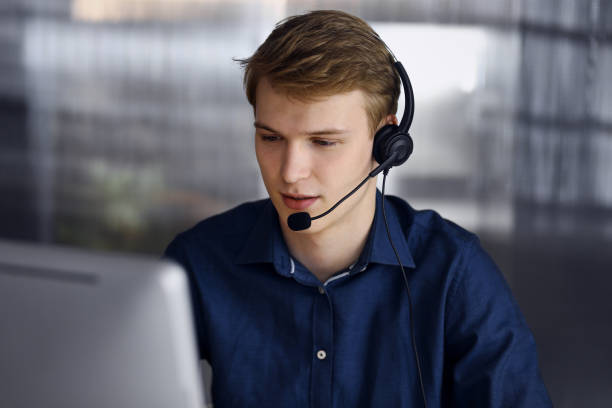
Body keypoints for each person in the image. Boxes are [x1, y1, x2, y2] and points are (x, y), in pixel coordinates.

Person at [164, 9, 552, 407]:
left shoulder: (454, 272)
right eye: (271, 137)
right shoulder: (198, 262)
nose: (291, 173)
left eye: (323, 142)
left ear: (387, 143)